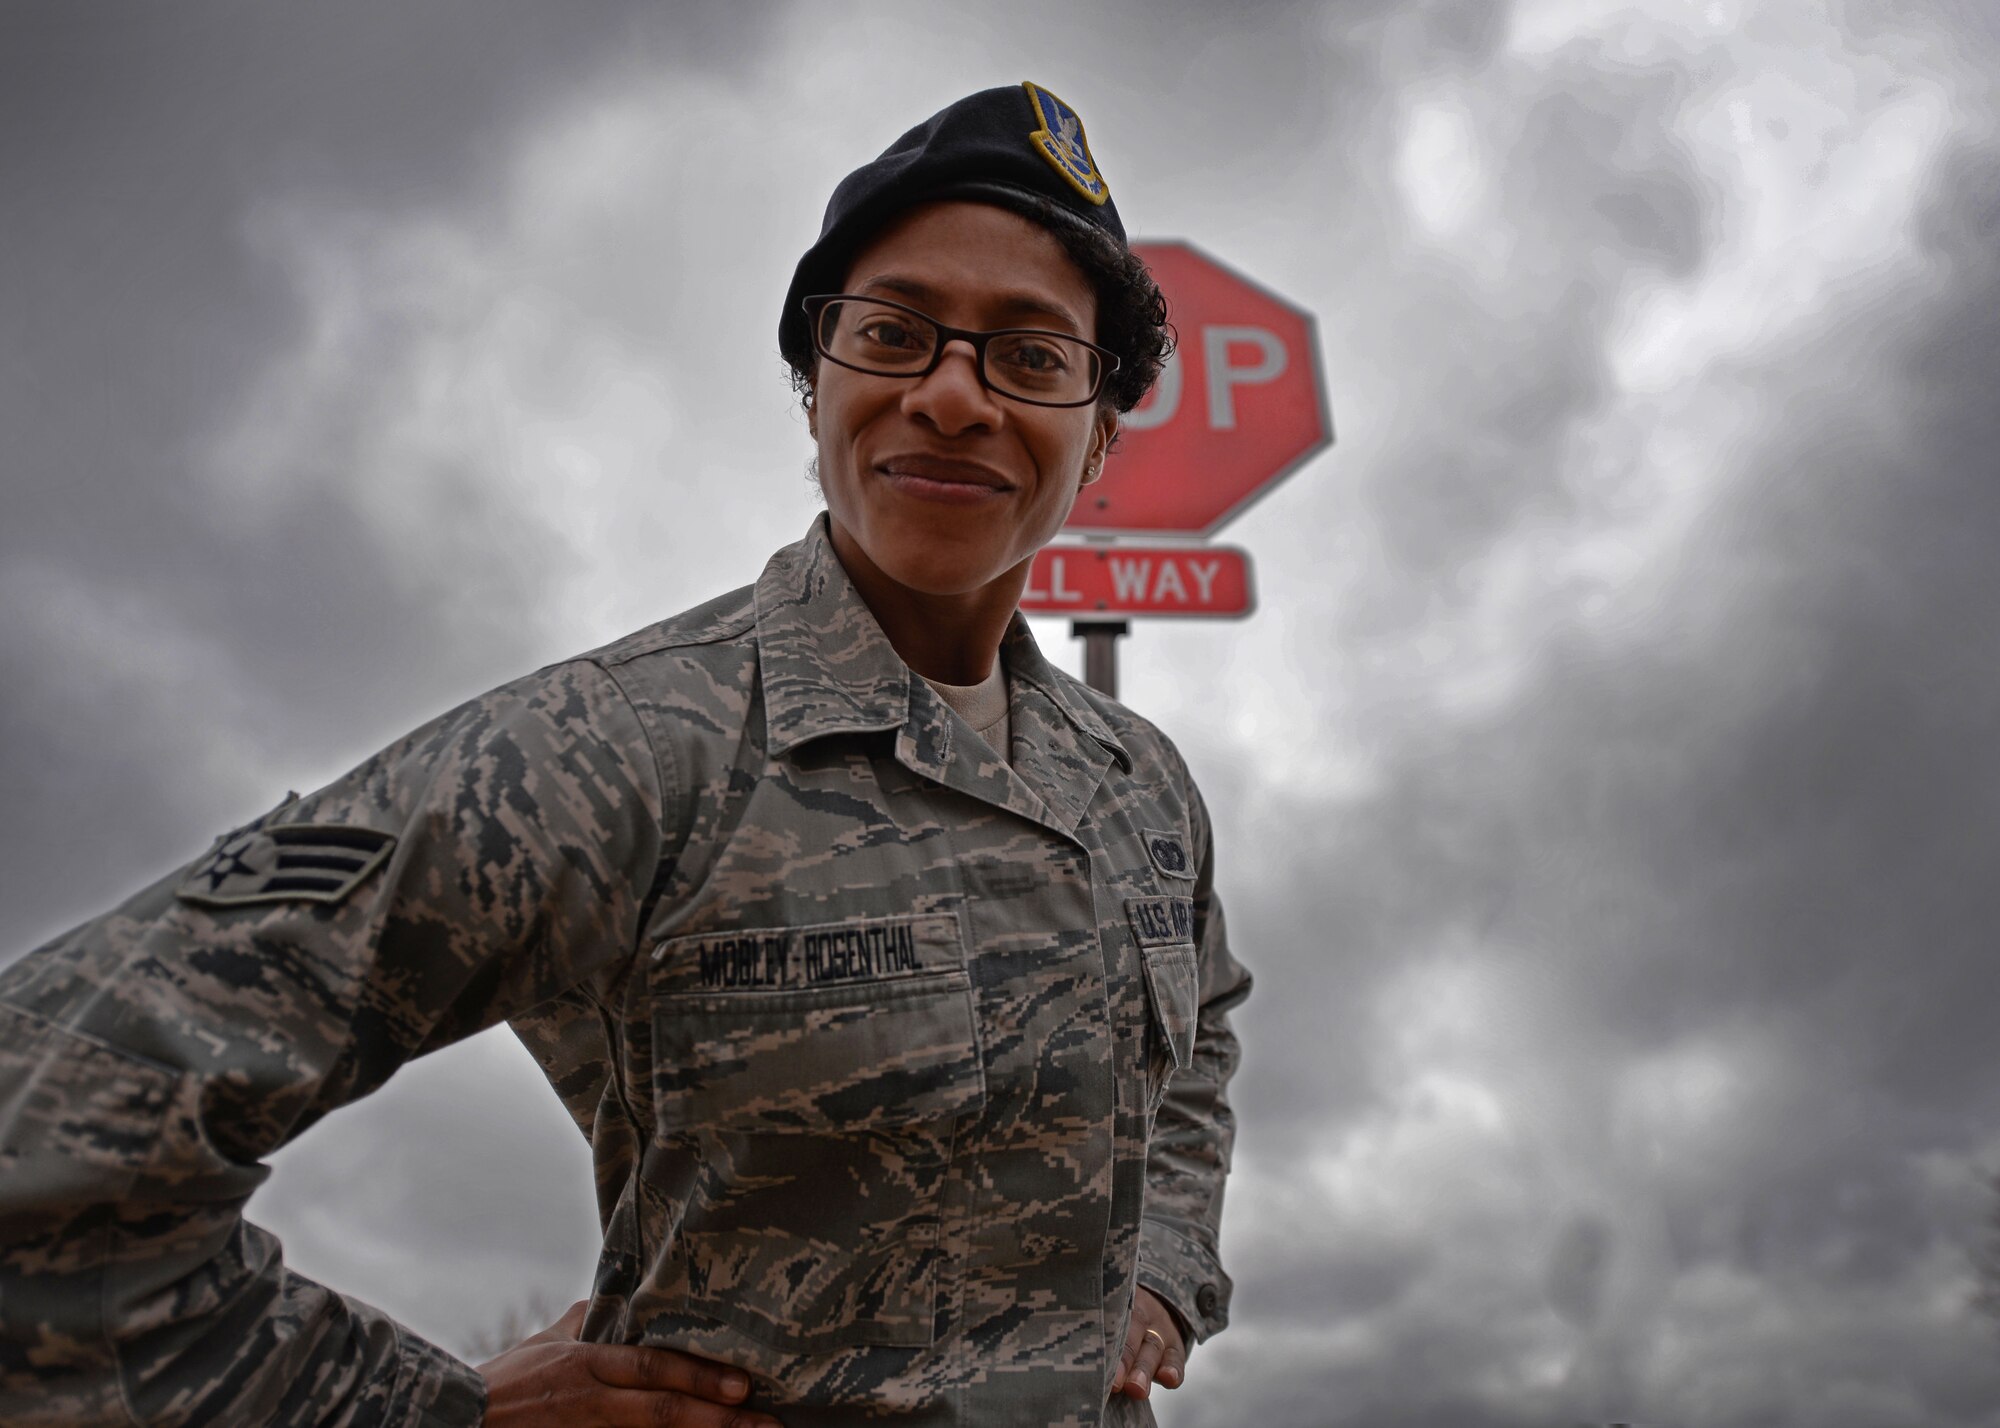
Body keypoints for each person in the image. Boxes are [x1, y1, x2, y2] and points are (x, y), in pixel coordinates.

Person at [0, 82, 1250, 1427]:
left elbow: (1203, 1037)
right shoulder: (625, 752)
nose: (952, 395)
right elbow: (41, 1125)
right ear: (814, 383)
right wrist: (429, 1413)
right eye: (892, 334)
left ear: (1101, 432)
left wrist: (1164, 1270)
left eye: (1032, 355)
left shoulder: (1137, 785)